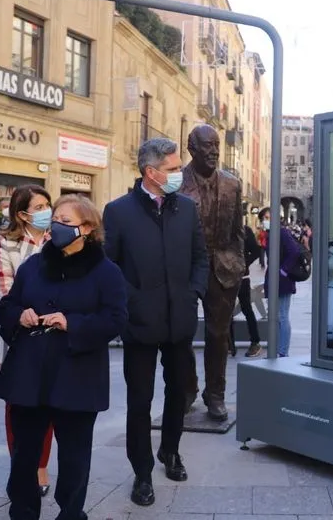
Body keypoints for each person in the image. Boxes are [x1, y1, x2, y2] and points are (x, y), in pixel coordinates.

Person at [0, 194, 127, 519]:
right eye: (56, 219)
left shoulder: (106, 271)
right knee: (25, 452)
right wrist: (18, 315)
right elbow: (7, 306)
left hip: (77, 375)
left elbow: (116, 318)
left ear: (88, 228)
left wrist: (73, 323)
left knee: (74, 455)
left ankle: (71, 512)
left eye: (66, 222)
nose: (57, 226)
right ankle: (23, 511)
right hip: (30, 372)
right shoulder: (34, 265)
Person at [103, 137, 209, 507]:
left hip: (180, 320)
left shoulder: (188, 209)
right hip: (139, 323)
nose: (180, 173)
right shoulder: (118, 212)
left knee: (179, 391)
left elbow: (201, 257)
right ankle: (142, 471)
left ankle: (171, 451)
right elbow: (108, 266)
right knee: (140, 401)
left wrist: (193, 291)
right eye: (173, 168)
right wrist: (132, 301)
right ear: (151, 172)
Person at [0, 184, 54, 496]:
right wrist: (25, 311)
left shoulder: (60, 238)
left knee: (49, 405)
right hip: (19, 335)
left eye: (47, 205)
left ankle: (40, 466)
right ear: (22, 213)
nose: (45, 212)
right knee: (17, 405)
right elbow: (5, 290)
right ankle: (20, 465)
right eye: (38, 207)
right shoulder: (6, 243)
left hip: (54, 335)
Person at [179, 124, 244, 421]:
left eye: (216, 145)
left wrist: (238, 263)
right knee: (180, 333)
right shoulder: (175, 182)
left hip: (222, 269)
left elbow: (237, 231)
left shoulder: (232, 184)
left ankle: (215, 394)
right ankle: (188, 388)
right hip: (185, 269)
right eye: (207, 146)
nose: (214, 151)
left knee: (219, 336)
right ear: (192, 149)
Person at [258, 207, 302, 358]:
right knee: (274, 316)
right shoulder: (271, 234)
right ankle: (276, 349)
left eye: (269, 217)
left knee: (282, 315)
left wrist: (283, 271)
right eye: (265, 218)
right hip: (274, 279)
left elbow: (294, 251)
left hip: (282, 281)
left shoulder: (282, 232)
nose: (267, 220)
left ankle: (282, 352)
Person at [230, 223, 263, 358]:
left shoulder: (244, 230)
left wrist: (244, 263)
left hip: (242, 277)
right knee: (226, 311)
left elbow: (256, 250)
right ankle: (228, 343)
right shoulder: (223, 228)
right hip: (225, 276)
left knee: (246, 309)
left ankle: (255, 342)